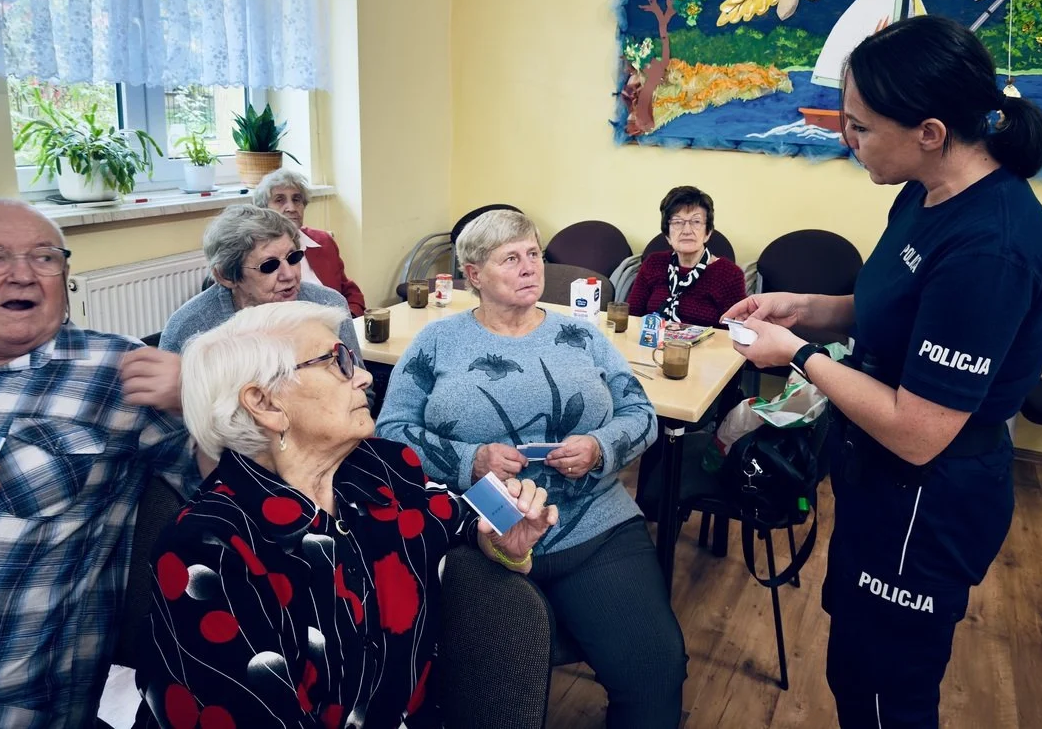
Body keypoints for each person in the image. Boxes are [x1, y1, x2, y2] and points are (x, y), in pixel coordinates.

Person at [723, 14, 1042, 728]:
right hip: (875, 477)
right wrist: (805, 308)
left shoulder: (991, 247)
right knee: (853, 663)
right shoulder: (926, 191)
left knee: (887, 691)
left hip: (927, 497)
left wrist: (797, 355)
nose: (846, 142)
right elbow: (891, 308)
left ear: (930, 132)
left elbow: (918, 432)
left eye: (860, 128)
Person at [136, 301, 558, 727]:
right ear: (265, 403)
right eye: (337, 361)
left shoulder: (383, 467)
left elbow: (461, 514)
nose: (365, 376)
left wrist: (504, 539)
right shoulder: (209, 551)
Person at [376, 209, 688, 729]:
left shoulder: (581, 336)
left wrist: (598, 445)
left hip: (593, 528)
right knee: (492, 696)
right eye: (511, 258)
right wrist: (469, 460)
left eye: (534, 254)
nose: (530, 268)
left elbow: (641, 414)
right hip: (476, 534)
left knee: (656, 671)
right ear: (473, 274)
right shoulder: (437, 342)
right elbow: (390, 432)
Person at [0, 199, 196, 728]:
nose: (21, 274)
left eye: (44, 257)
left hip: (24, 691)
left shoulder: (118, 371)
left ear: (66, 276)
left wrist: (198, 399)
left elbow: (233, 489)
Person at [160, 204, 361, 358]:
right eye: (269, 266)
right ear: (226, 276)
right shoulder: (189, 328)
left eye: (293, 258)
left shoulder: (329, 306)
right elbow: (165, 412)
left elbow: (361, 389)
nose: (289, 274)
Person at [627, 185, 746, 326]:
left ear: (708, 232)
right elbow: (631, 317)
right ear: (667, 235)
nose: (687, 230)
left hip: (707, 348)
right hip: (651, 345)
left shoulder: (730, 275)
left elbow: (734, 333)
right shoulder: (653, 264)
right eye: (678, 222)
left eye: (696, 222)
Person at [253, 167, 366, 316]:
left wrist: (347, 320)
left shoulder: (323, 241)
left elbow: (349, 292)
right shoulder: (255, 253)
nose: (291, 208)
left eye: (296, 199)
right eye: (280, 200)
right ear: (263, 209)